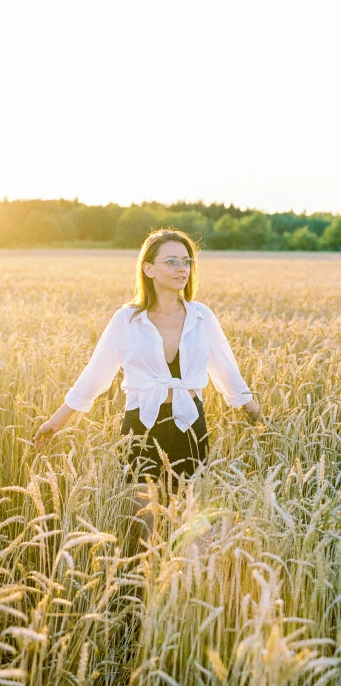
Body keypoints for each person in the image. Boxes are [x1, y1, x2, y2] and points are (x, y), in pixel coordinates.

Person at [34, 228, 260, 536]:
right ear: (148, 268)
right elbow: (94, 375)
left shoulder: (201, 316)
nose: (182, 268)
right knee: (143, 524)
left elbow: (228, 372)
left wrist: (260, 419)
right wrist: (55, 423)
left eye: (187, 261)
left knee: (190, 522)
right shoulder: (126, 320)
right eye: (171, 261)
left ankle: (185, 583)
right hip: (140, 427)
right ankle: (143, 581)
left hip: (189, 425)